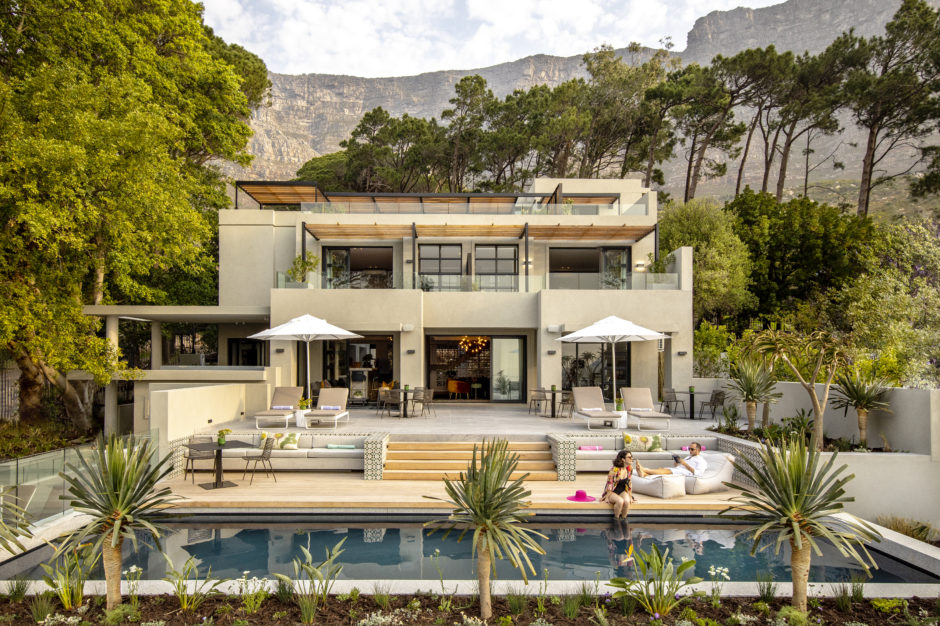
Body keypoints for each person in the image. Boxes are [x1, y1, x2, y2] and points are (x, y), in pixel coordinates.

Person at [636, 442, 707, 477]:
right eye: (689, 449)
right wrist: (677, 464)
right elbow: (681, 466)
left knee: (665, 471)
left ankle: (644, 469)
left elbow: (698, 473)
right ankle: (644, 474)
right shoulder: (689, 457)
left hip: (684, 473)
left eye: (692, 449)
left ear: (698, 450)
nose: (690, 451)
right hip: (678, 470)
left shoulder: (701, 461)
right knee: (661, 469)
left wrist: (685, 464)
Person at [600, 450, 636, 519]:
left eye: (632, 457)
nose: (632, 459)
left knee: (627, 501)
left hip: (622, 491)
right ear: (623, 459)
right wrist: (607, 497)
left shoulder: (629, 469)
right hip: (612, 492)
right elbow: (609, 484)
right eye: (629, 457)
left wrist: (630, 496)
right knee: (620, 501)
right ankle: (616, 519)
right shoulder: (614, 470)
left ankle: (624, 519)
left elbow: (629, 484)